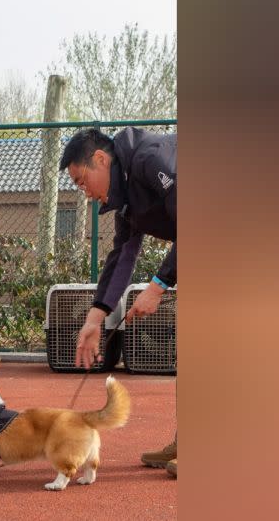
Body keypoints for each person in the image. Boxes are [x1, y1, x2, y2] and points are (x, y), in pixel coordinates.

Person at [59, 127, 178, 478]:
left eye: (82, 182)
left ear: (100, 159)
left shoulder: (149, 158)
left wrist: (158, 285)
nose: (85, 193)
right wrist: (96, 317)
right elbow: (123, 253)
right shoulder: (125, 194)